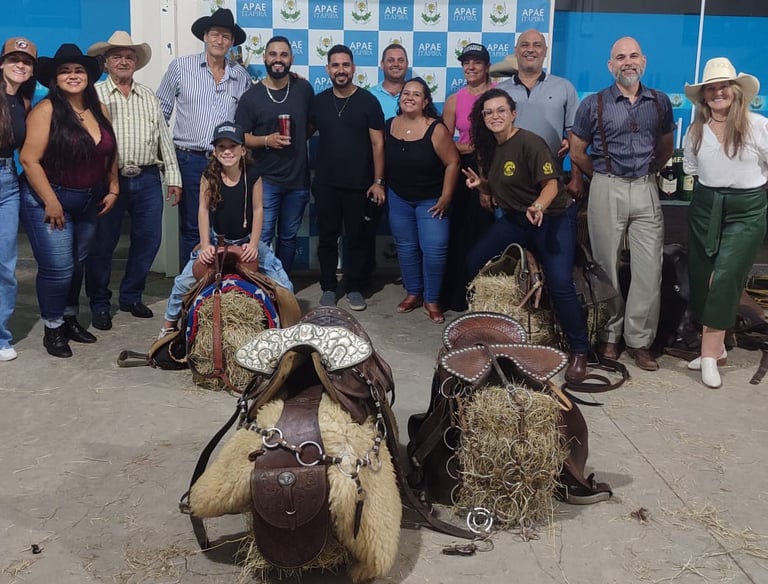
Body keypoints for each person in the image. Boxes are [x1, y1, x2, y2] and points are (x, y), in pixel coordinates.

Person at [464, 89, 590, 383]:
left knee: (559, 283)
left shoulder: (531, 142)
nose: (495, 116)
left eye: (501, 111)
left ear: (513, 114)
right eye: (488, 112)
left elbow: (551, 185)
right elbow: (502, 188)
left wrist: (538, 206)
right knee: (473, 261)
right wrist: (482, 185)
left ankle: (579, 350)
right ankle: (487, 333)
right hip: (516, 219)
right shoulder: (489, 148)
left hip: (552, 218)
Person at [569, 37, 674, 371]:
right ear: (610, 65)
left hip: (645, 187)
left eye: (633, 56)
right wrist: (602, 176)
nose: (627, 62)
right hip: (606, 185)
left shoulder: (659, 102)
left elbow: (666, 147)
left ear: (643, 61)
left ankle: (639, 341)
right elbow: (577, 151)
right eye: (620, 57)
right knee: (606, 266)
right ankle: (609, 336)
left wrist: (650, 172)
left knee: (649, 269)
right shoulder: (593, 104)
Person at [19, 44, 119, 358]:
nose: (72, 76)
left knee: (77, 264)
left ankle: (69, 318)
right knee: (58, 268)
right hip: (49, 200)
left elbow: (108, 151)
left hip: (89, 200)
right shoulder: (46, 110)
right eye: (65, 71)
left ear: (88, 76)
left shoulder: (99, 110)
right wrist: (51, 201)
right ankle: (53, 327)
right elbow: (29, 160)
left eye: (78, 70)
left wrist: (114, 186)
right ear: (55, 78)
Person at [83, 31, 182, 331]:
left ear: (136, 62)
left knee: (149, 240)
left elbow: (163, 138)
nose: (123, 61)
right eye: (117, 56)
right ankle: (100, 303)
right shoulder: (94, 95)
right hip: (107, 180)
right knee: (103, 244)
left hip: (147, 177)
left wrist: (173, 176)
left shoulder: (149, 96)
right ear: (105, 63)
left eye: (129, 56)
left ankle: (131, 296)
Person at [158, 122, 292, 338]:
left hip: (246, 239)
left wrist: (254, 244)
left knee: (284, 284)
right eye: (221, 147)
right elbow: (203, 211)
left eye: (232, 146)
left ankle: (289, 329)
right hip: (217, 240)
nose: (227, 151)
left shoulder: (253, 174)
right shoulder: (209, 175)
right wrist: (205, 245)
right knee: (182, 283)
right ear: (215, 151)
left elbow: (258, 210)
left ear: (243, 150)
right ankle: (168, 327)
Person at [681, 58, 767, 388]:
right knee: (703, 277)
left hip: (746, 209)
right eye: (711, 88)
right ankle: (718, 352)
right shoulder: (695, 131)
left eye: (723, 86)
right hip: (706, 205)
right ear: (704, 96)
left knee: (725, 277)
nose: (718, 92)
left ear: (735, 91)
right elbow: (691, 169)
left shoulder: (758, 126)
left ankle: (707, 354)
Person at [156, 7, 250, 266]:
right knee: (192, 226)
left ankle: (219, 281)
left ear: (232, 42)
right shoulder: (180, 67)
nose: (220, 40)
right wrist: (165, 161)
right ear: (205, 36)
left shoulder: (241, 76)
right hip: (189, 159)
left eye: (226, 36)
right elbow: (160, 114)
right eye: (215, 34)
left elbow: (248, 118)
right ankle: (192, 281)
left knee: (223, 224)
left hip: (226, 161)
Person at [308, 44, 385, 311]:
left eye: (345, 65)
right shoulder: (318, 102)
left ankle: (354, 287)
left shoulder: (368, 102)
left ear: (353, 68)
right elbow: (302, 133)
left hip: (360, 185)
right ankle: (329, 287)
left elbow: (378, 144)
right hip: (326, 184)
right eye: (335, 65)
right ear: (328, 69)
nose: (341, 70)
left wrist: (378, 181)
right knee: (327, 238)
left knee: (357, 240)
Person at [234, 35, 313, 275]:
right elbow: (240, 137)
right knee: (262, 237)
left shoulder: (303, 89)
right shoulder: (252, 96)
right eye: (273, 54)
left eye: (283, 55)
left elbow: (312, 123)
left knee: (288, 237)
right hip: (265, 180)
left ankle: (281, 284)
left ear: (291, 59)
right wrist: (267, 140)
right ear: (265, 58)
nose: (278, 59)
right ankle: (259, 285)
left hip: (298, 180)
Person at [384, 77, 459, 324]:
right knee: (406, 248)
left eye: (416, 94)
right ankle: (413, 293)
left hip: (431, 199)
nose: (410, 97)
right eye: (406, 93)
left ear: (425, 102)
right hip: (399, 197)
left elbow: (453, 162)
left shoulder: (436, 129)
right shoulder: (389, 125)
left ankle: (432, 299)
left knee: (434, 250)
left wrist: (446, 196)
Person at [440, 43, 496, 312]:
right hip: (464, 168)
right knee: (460, 231)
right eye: (467, 62)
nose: (471, 67)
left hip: (494, 167)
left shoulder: (498, 95)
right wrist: (470, 147)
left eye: (477, 62)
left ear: (487, 66)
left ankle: (487, 297)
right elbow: (442, 141)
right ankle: (457, 296)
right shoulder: (455, 100)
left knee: (488, 233)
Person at [495, 29, 583, 197]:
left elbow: (575, 137)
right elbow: (489, 139)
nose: (530, 49)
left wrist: (576, 177)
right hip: (507, 182)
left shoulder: (564, 87)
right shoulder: (499, 92)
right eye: (525, 45)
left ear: (545, 51)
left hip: (551, 179)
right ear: (516, 51)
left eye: (537, 45)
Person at [0, 37, 37, 361]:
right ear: (2, 63)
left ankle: (1, 337)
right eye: (14, 59)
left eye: (26, 62)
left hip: (8, 182)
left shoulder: (24, 102)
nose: (20, 65)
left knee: (5, 265)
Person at [370, 43, 409, 121]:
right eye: (390, 60)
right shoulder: (369, 95)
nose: (396, 64)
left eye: (400, 60)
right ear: (382, 65)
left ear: (407, 64)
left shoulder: (415, 96)